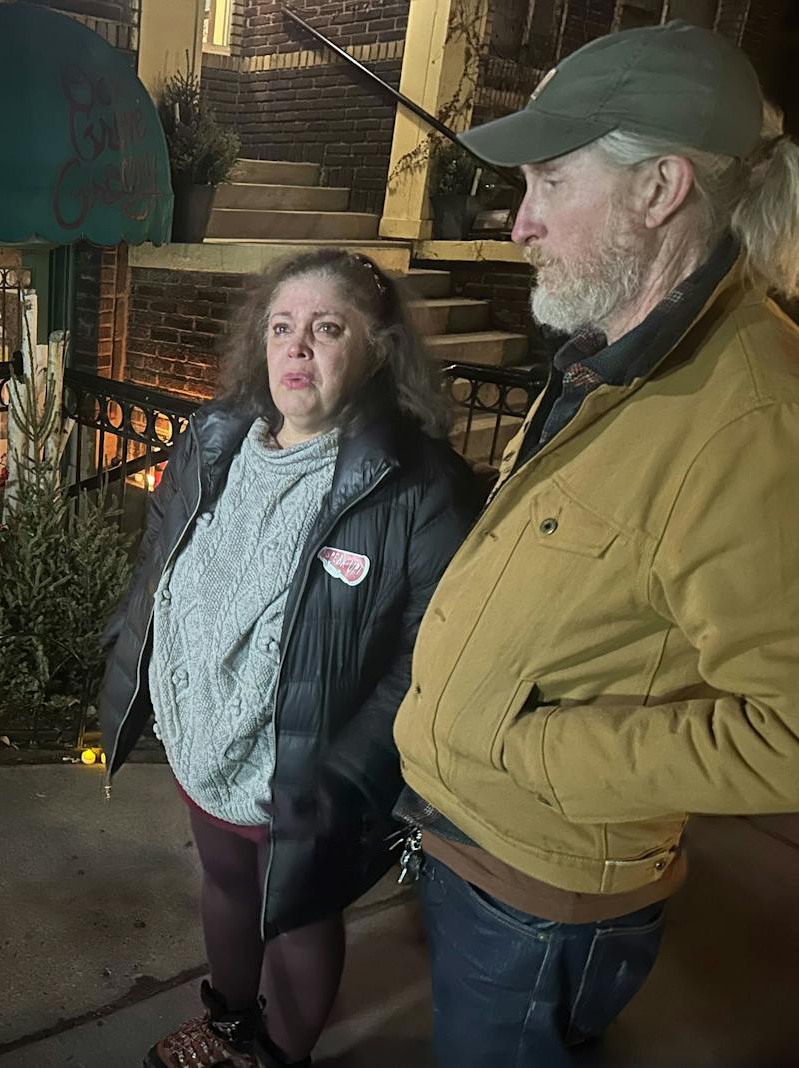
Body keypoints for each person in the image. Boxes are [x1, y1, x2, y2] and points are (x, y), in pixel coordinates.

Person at [391, 20, 799, 1067]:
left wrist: (526, 753)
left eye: (547, 183)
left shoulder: (751, 421)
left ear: (658, 190)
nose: (517, 223)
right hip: (479, 850)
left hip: (541, 901)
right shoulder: (621, 355)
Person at [98, 248, 479, 1068]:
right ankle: (231, 1021)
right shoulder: (214, 436)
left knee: (298, 912)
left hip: (311, 766)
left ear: (376, 349)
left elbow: (431, 651)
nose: (297, 347)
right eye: (281, 327)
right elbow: (160, 560)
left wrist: (350, 771)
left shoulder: (418, 485)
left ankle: (276, 1054)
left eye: (326, 327)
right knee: (229, 888)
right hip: (207, 740)